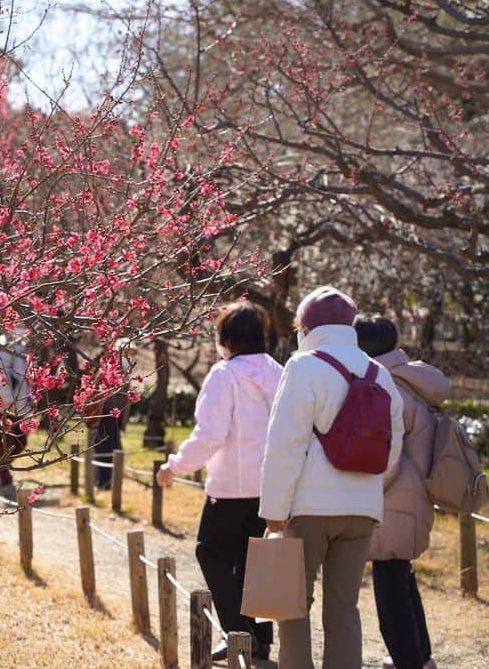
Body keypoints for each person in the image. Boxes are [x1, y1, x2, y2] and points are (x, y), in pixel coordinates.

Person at [259, 286, 405, 669]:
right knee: (344, 608)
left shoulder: (303, 367)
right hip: (363, 510)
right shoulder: (380, 374)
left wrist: (274, 511)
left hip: (309, 509)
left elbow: (284, 445)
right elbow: (392, 451)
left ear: (306, 328)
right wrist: (367, 490)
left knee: (293, 605)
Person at [156, 301, 282, 660]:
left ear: (226, 338)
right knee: (252, 562)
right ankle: (258, 636)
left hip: (231, 487)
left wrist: (174, 466)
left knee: (209, 552)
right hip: (270, 486)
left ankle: (238, 631)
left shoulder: (224, 375)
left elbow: (209, 435)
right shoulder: (277, 371)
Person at [355, 314, 444, 669]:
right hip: (414, 494)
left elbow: (386, 457)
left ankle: (409, 660)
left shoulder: (385, 387)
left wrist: (364, 492)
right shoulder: (409, 379)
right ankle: (419, 658)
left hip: (393, 498)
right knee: (401, 579)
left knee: (390, 589)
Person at [0, 330, 33, 500]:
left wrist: (28, 397)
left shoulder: (21, 345)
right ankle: (3, 478)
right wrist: (8, 401)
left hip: (20, 403)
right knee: (7, 441)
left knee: (20, 441)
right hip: (5, 404)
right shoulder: (2, 343)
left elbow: (23, 375)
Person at [91, 338, 136, 489]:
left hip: (115, 420)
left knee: (115, 451)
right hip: (104, 417)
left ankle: (110, 483)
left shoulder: (125, 373)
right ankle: (103, 483)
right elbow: (95, 394)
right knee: (105, 451)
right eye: (128, 353)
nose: (131, 357)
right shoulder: (108, 370)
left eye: (132, 353)